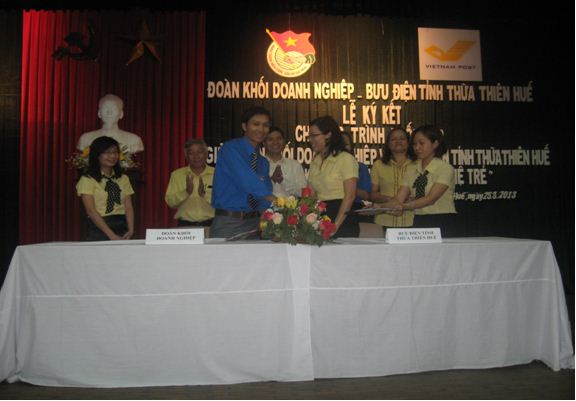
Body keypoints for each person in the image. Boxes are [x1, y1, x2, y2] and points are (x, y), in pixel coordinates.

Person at [377, 125, 457, 236]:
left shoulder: (445, 168)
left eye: (421, 143)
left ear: (435, 144)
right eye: (414, 144)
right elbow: (398, 198)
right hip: (419, 219)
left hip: (442, 219)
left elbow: (430, 199)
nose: (417, 148)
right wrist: (378, 207)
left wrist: (403, 207)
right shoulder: (411, 169)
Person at [210, 106, 275, 238]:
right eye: (256, 124)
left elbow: (264, 198)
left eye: (265, 125)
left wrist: (270, 215)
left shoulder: (263, 162)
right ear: (244, 126)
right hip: (229, 223)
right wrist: (279, 201)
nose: (261, 129)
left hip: (256, 223)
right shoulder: (230, 149)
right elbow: (247, 181)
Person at [307, 116, 359, 238]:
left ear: (328, 134)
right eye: (309, 136)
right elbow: (311, 193)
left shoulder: (345, 159)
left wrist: (335, 225)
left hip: (342, 217)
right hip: (321, 215)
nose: (311, 140)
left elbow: (350, 196)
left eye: (314, 135)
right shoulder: (315, 161)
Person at [76, 136, 135, 241]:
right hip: (99, 228)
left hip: (122, 227)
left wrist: (131, 230)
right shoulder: (87, 179)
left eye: (115, 152)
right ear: (97, 155)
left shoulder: (123, 178)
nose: (112, 156)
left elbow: (128, 207)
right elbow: (91, 211)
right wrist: (111, 235)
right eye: (107, 152)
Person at [370, 127, 417, 229]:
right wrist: (393, 201)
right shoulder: (379, 165)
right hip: (385, 219)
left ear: (408, 143)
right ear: (388, 144)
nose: (398, 141)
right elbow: (373, 195)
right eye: (393, 139)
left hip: (413, 219)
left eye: (402, 138)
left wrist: (400, 202)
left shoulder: (418, 164)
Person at [165, 139, 215, 227]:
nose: (196, 156)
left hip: (212, 225)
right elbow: (171, 202)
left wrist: (204, 194)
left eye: (199, 152)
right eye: (191, 153)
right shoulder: (177, 175)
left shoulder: (217, 174)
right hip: (185, 226)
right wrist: (186, 192)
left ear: (206, 154)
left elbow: (223, 203)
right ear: (186, 156)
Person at [77, 94, 144, 155]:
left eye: (113, 108)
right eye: (105, 108)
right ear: (99, 113)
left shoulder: (134, 140)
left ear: (121, 114)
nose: (109, 112)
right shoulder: (85, 138)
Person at [263, 126, 307, 197]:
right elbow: (255, 191)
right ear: (264, 143)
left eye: (279, 138)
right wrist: (272, 180)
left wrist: (284, 182)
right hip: (265, 204)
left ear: (284, 141)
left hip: (291, 204)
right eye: (270, 139)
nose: (275, 142)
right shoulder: (258, 165)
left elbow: (303, 193)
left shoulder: (294, 165)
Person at [341, 130, 371, 208]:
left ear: (351, 146)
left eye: (346, 144)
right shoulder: (327, 167)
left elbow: (367, 195)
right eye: (340, 145)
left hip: (355, 206)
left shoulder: (361, 167)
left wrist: (348, 187)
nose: (343, 147)